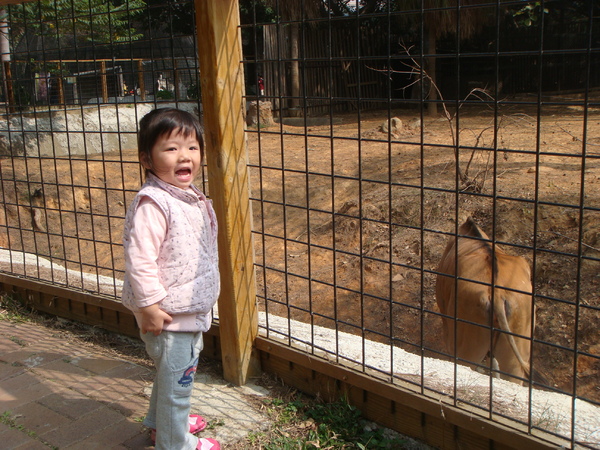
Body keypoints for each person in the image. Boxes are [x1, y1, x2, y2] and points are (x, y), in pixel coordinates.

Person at [121, 108, 221, 450]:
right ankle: (174, 442)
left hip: (184, 310)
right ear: (147, 159)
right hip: (167, 315)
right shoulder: (155, 203)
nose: (185, 156)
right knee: (179, 384)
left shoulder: (186, 196)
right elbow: (140, 258)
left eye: (192, 148)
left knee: (171, 376)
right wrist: (148, 305)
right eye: (171, 148)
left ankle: (160, 424)